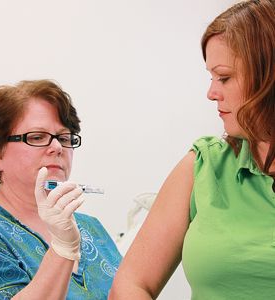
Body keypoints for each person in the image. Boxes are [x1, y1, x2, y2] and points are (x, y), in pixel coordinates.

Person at [109, 0, 275, 299]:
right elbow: (131, 283)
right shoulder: (204, 165)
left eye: (224, 77)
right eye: (211, 78)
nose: (211, 93)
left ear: (268, 76)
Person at [0, 79, 122, 299]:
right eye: (36, 137)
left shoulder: (91, 228)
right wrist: (62, 249)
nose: (57, 147)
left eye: (64, 138)